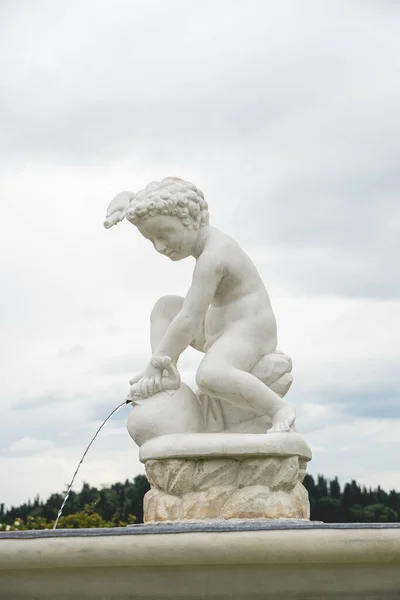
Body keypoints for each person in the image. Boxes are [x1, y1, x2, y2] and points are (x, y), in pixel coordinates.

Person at [104, 177, 295, 433]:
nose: (159, 247)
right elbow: (163, 201)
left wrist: (158, 360)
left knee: (209, 375)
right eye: (151, 240)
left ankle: (278, 409)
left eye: (165, 234)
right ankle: (165, 375)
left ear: (190, 219)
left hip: (249, 330)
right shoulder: (192, 230)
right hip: (219, 325)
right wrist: (127, 197)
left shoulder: (214, 256)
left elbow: (189, 320)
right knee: (164, 308)